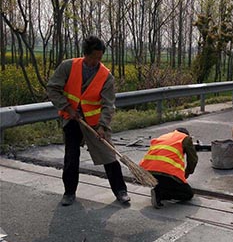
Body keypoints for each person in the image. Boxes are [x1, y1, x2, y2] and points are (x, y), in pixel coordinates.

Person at [47, 36, 130, 206]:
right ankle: (69, 192)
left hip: (95, 121)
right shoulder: (68, 67)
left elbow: (108, 104)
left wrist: (102, 126)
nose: (96, 62)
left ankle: (121, 191)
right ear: (85, 54)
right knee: (71, 156)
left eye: (99, 58)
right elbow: (53, 88)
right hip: (72, 119)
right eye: (93, 58)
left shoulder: (106, 76)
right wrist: (67, 108)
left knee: (109, 155)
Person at [140, 128, 198, 208]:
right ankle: (160, 194)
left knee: (164, 182)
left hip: (148, 171)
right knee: (188, 194)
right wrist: (186, 174)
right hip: (167, 172)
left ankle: (159, 191)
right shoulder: (186, 138)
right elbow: (193, 160)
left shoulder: (163, 136)